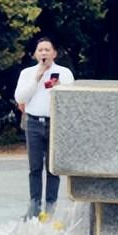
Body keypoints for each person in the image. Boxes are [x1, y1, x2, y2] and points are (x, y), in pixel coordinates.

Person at [14, 36, 74, 218]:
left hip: (54, 123)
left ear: (54, 53)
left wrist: (58, 86)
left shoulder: (64, 72)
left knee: (52, 167)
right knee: (35, 166)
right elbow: (20, 98)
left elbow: (69, 97)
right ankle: (34, 204)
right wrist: (37, 78)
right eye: (40, 50)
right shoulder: (27, 73)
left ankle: (51, 204)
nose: (44, 53)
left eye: (47, 49)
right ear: (35, 53)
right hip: (33, 122)